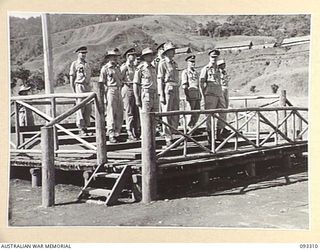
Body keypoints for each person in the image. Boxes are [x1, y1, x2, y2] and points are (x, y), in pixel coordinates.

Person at [200, 49, 231, 142]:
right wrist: (202, 96)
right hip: (210, 95)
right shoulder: (205, 69)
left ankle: (218, 133)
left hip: (219, 94)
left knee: (223, 114)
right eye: (212, 57)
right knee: (209, 116)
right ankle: (210, 135)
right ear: (209, 57)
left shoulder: (219, 69)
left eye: (216, 57)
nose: (214, 58)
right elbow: (201, 83)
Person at [157, 42, 180, 146]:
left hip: (175, 88)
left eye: (173, 50)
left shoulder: (174, 63)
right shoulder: (163, 63)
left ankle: (174, 134)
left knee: (175, 112)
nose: (173, 52)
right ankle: (168, 137)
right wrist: (161, 94)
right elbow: (160, 79)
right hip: (167, 88)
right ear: (166, 52)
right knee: (167, 113)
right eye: (171, 50)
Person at [99, 49, 124, 143]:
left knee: (119, 113)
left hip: (118, 90)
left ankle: (117, 133)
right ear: (108, 58)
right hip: (110, 90)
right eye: (113, 56)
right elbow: (102, 83)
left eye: (116, 56)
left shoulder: (117, 67)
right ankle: (111, 134)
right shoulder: (105, 68)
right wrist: (105, 96)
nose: (115, 58)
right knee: (111, 113)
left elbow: (120, 79)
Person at [69, 46, 92, 136]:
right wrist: (73, 91)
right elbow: (72, 77)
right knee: (80, 107)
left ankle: (86, 127)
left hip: (87, 86)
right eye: (82, 53)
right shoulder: (75, 64)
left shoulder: (87, 64)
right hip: (79, 86)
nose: (83, 55)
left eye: (85, 53)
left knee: (88, 108)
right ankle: (81, 127)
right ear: (78, 54)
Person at [120, 48, 140, 141]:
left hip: (135, 89)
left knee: (136, 111)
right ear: (128, 56)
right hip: (127, 88)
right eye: (132, 55)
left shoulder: (135, 67)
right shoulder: (124, 67)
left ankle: (136, 130)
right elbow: (119, 79)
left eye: (135, 55)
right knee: (129, 112)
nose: (134, 56)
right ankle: (129, 131)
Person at [133, 47, 158, 113]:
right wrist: (137, 99)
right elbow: (136, 84)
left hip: (155, 95)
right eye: (148, 55)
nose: (151, 57)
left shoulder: (154, 68)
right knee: (145, 117)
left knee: (155, 118)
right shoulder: (140, 68)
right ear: (144, 57)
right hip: (146, 95)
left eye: (152, 55)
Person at [181, 54, 201, 131]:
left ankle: (193, 126)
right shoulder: (185, 72)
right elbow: (185, 85)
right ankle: (188, 127)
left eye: (194, 62)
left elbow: (198, 84)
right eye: (191, 62)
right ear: (187, 62)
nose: (193, 63)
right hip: (190, 94)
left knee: (197, 112)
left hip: (197, 94)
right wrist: (187, 95)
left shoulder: (196, 72)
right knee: (190, 112)